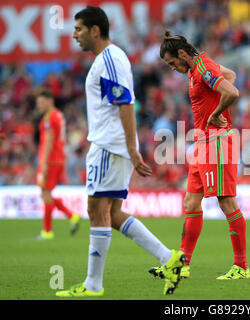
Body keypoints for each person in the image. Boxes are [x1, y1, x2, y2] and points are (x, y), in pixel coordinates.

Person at [56, 6, 185, 297]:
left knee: (95, 210)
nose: (74, 35)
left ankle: (92, 285)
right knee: (112, 213)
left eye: (78, 29)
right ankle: (169, 258)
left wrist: (131, 148)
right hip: (113, 145)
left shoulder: (110, 60)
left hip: (109, 146)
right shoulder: (109, 59)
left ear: (95, 30)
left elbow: (125, 103)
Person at [150, 31, 249, 280]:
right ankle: (183, 264)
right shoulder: (199, 69)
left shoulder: (203, 67)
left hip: (216, 140)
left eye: (173, 63)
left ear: (183, 54)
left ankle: (241, 267)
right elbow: (231, 76)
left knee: (226, 202)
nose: (173, 69)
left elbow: (232, 91)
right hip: (202, 143)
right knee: (191, 203)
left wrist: (217, 112)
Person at [35, 89, 81, 240]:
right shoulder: (59, 115)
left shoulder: (49, 117)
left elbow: (49, 139)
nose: (39, 106)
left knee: (46, 193)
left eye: (42, 103)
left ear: (50, 101)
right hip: (58, 158)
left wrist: (44, 162)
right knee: (45, 193)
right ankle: (71, 215)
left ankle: (47, 231)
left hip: (51, 160)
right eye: (38, 103)